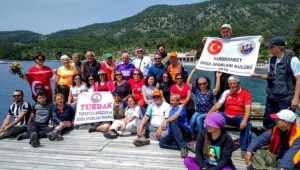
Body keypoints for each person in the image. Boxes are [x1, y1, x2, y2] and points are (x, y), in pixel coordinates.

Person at [251, 36, 300, 131]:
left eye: (271, 47)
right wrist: (258, 75)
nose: (269, 49)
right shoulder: (272, 60)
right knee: (268, 122)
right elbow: (269, 76)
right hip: (271, 97)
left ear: (279, 48)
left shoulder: (292, 60)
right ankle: (270, 144)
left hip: (285, 98)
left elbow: (299, 80)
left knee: (285, 123)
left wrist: (295, 98)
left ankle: (285, 145)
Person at [207, 75, 252, 158]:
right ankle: (213, 142)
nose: (232, 85)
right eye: (230, 84)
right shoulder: (226, 92)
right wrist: (209, 114)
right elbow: (218, 104)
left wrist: (244, 120)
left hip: (239, 116)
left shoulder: (246, 93)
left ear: (239, 83)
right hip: (227, 115)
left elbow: (248, 109)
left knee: (247, 124)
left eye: (234, 83)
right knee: (213, 119)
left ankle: (244, 148)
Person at [187, 69, 222, 141]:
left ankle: (202, 138)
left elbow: (217, 88)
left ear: (207, 84)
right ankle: (192, 137)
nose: (202, 85)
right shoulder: (197, 91)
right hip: (199, 111)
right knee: (192, 120)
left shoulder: (210, 92)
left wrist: (218, 77)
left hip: (208, 112)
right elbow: (188, 83)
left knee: (199, 118)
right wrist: (193, 71)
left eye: (204, 84)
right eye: (200, 84)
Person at [159, 94, 192, 158]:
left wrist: (166, 121)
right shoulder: (170, 109)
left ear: (178, 101)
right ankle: (185, 145)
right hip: (174, 133)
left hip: (184, 131)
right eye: (170, 100)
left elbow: (176, 116)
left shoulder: (181, 107)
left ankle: (183, 146)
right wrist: (160, 129)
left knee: (172, 122)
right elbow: (166, 119)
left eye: (173, 100)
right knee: (162, 143)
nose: (171, 102)